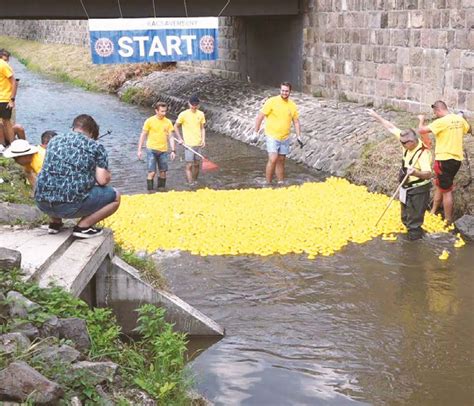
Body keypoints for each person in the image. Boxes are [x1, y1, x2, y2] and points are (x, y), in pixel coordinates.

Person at [35, 114, 120, 238]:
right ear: (91, 132)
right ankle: (83, 227)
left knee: (53, 180)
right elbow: (102, 180)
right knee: (116, 196)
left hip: (42, 203)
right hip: (70, 206)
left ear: (73, 127)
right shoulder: (95, 146)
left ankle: (55, 223)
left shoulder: (54, 141)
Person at [368, 109, 433, 240]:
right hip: (405, 186)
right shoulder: (405, 141)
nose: (401, 144)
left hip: (418, 189)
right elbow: (391, 127)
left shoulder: (423, 154)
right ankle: (412, 233)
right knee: (405, 216)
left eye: (404, 143)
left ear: (412, 141)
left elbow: (428, 174)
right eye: (401, 141)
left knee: (414, 220)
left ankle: (415, 243)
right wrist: (377, 117)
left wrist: (415, 172)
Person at [417, 100, 471, 224]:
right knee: (440, 186)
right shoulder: (459, 119)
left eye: (435, 112)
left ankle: (447, 220)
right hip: (456, 160)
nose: (435, 115)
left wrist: (421, 119)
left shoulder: (441, 122)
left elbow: (421, 130)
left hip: (444, 160)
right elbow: (468, 129)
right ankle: (434, 210)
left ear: (438, 110)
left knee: (446, 191)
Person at [254, 82, 302, 184]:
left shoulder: (292, 105)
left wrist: (299, 136)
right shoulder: (272, 101)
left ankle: (280, 182)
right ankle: (268, 183)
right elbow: (260, 117)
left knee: (281, 160)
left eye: (286, 91)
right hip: (272, 135)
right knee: (273, 158)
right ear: (280, 90)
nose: (284, 93)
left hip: (285, 137)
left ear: (290, 92)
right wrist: (255, 133)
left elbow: (296, 121)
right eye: (283, 90)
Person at [137, 101, 176, 191]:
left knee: (163, 172)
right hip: (151, 149)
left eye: (165, 111)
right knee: (152, 172)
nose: (164, 113)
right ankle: (150, 191)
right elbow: (143, 135)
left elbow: (171, 137)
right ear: (156, 111)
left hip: (163, 150)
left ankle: (161, 190)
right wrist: (139, 150)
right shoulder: (149, 121)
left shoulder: (168, 122)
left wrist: (173, 150)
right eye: (162, 111)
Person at [174, 95, 206, 184]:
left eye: (196, 104)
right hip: (188, 144)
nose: (194, 106)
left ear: (198, 105)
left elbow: (202, 128)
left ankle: (195, 181)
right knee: (189, 165)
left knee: (197, 164)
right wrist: (180, 139)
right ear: (189, 103)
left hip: (198, 144)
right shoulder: (183, 114)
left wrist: (203, 140)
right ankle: (190, 183)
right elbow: (175, 126)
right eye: (192, 104)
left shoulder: (201, 114)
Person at [0, 49, 18, 146]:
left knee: (6, 122)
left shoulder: (3, 65)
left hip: (4, 98)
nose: (7, 59)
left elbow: (14, 81)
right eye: (6, 57)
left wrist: (12, 99)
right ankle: (2, 145)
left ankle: (13, 144)